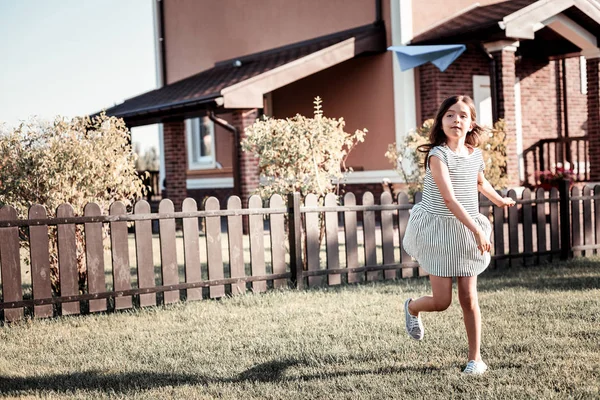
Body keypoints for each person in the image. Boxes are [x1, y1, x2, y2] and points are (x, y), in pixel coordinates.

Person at [401, 95, 516, 375]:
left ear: (471, 123)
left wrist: (498, 200)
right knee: (442, 302)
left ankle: (475, 359)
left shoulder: (474, 154)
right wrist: (477, 229)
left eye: (463, 115)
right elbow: (450, 200)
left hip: (465, 232)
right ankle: (412, 307)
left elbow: (479, 181)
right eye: (450, 115)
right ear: (442, 121)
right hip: (439, 230)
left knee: (468, 297)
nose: (456, 120)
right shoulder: (437, 155)